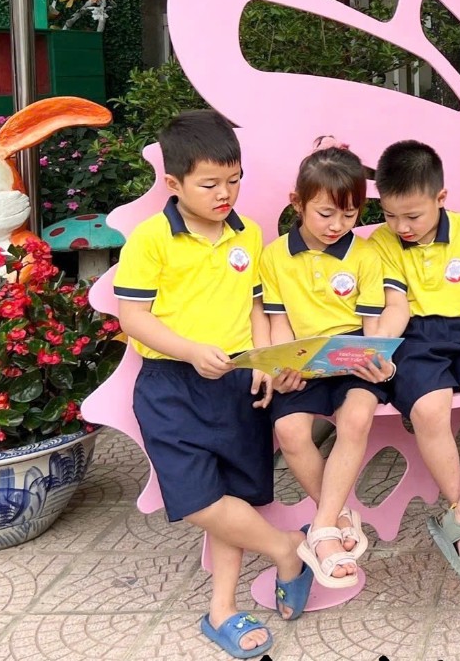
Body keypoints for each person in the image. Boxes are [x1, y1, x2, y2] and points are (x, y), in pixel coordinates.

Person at [113, 110, 312, 660]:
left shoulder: (248, 233)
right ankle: (287, 550)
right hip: (171, 386)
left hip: (237, 383)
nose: (225, 193)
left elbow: (255, 307)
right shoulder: (152, 239)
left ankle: (222, 610)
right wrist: (190, 350)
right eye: (209, 184)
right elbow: (133, 318)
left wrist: (263, 360)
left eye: (234, 179)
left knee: (234, 496)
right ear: (174, 184)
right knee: (199, 500)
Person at [367, 140, 460, 593]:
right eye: (390, 215)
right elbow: (395, 304)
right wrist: (378, 348)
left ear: (441, 198)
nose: (401, 226)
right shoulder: (382, 242)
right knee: (430, 408)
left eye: (412, 216)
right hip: (413, 338)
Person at [259, 139, 395, 589]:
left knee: (356, 417)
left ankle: (321, 532)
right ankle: (336, 518)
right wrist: (282, 367)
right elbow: (278, 322)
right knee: (290, 431)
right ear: (297, 203)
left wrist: (378, 361)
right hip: (302, 361)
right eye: (326, 214)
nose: (338, 225)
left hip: (353, 360)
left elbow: (372, 325)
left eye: (350, 214)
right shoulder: (275, 256)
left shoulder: (366, 255)